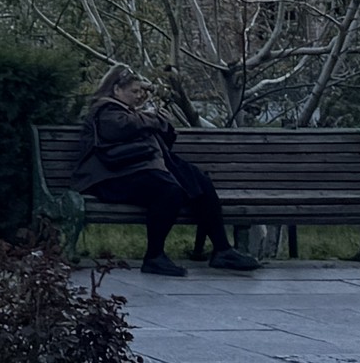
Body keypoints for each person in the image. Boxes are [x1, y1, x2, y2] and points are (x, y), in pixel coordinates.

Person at [72, 68, 257, 276]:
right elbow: (121, 128)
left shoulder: (131, 112)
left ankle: (222, 250)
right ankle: (154, 256)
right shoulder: (104, 110)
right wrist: (154, 119)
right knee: (169, 191)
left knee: (200, 182)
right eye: (134, 91)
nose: (139, 95)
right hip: (111, 176)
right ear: (116, 90)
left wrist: (164, 124)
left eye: (141, 91)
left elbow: (160, 141)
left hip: (138, 167)